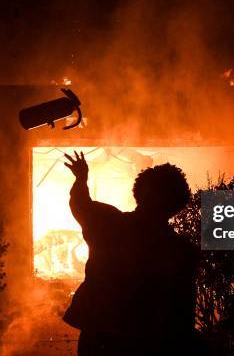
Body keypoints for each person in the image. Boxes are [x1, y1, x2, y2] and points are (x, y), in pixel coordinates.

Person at [63, 151, 198, 356]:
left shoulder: (109, 223)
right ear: (177, 204)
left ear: (139, 193)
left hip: (100, 334)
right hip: (149, 340)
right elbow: (183, 308)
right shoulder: (180, 249)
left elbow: (81, 205)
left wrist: (81, 178)